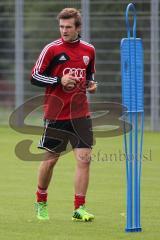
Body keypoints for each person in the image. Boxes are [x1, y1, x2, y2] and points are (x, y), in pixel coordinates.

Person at [31, 8, 97, 221]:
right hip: (56, 114)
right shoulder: (51, 49)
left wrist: (91, 85)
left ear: (78, 28)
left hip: (81, 114)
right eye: (61, 26)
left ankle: (79, 208)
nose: (64, 30)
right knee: (50, 160)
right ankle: (41, 200)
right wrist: (59, 80)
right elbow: (35, 77)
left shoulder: (89, 50)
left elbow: (89, 77)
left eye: (68, 27)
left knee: (84, 160)